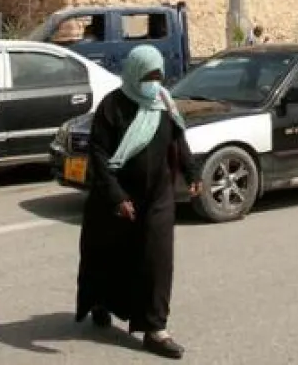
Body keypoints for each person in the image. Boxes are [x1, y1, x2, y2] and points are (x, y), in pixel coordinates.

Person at [76, 46, 199, 360]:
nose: (154, 82)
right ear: (133, 74)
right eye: (148, 76)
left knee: (158, 260)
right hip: (118, 195)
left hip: (158, 195)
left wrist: (192, 171)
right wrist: (116, 196)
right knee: (112, 256)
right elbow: (100, 157)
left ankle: (155, 330)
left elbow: (177, 139)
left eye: (158, 75)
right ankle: (102, 300)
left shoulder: (163, 102)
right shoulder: (112, 107)